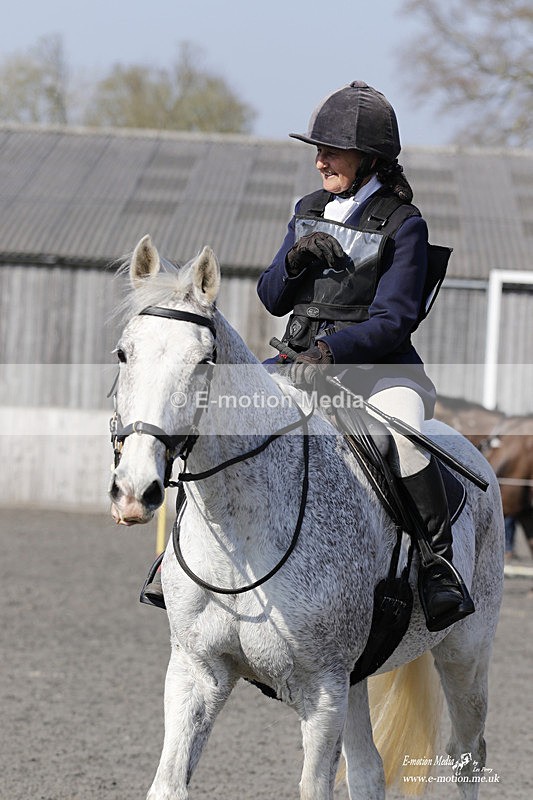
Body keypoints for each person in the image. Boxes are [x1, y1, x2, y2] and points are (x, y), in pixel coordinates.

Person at [257, 80, 474, 632]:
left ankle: (437, 565)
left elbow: (394, 319)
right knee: (226, 413)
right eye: (317, 149)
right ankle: (181, 558)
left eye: (330, 150)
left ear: (369, 157)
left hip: (379, 371)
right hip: (300, 362)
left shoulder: (405, 224)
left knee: (404, 432)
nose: (319, 160)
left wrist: (332, 349)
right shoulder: (308, 210)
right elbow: (270, 297)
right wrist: (295, 259)